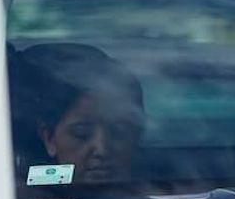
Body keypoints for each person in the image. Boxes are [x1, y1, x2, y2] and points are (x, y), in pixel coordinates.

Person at [11, 43, 145, 185]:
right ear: (49, 138)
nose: (102, 149)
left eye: (119, 131)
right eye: (81, 134)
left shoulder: (163, 191)